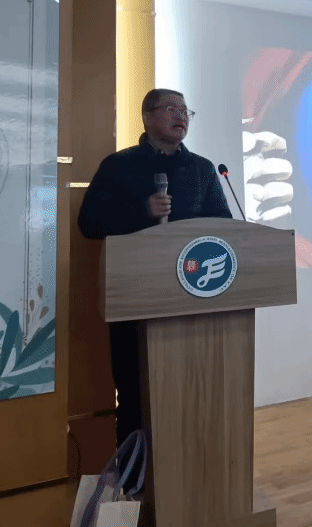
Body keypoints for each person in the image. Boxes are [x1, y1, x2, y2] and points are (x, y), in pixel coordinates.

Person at [77, 88, 233, 450]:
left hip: (193, 298)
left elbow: (222, 224)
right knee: (135, 396)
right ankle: (135, 478)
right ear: (147, 117)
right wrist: (142, 212)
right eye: (171, 109)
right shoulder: (119, 165)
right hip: (135, 299)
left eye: (185, 110)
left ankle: (191, 465)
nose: (181, 116)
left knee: (193, 389)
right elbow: (89, 223)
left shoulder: (202, 169)